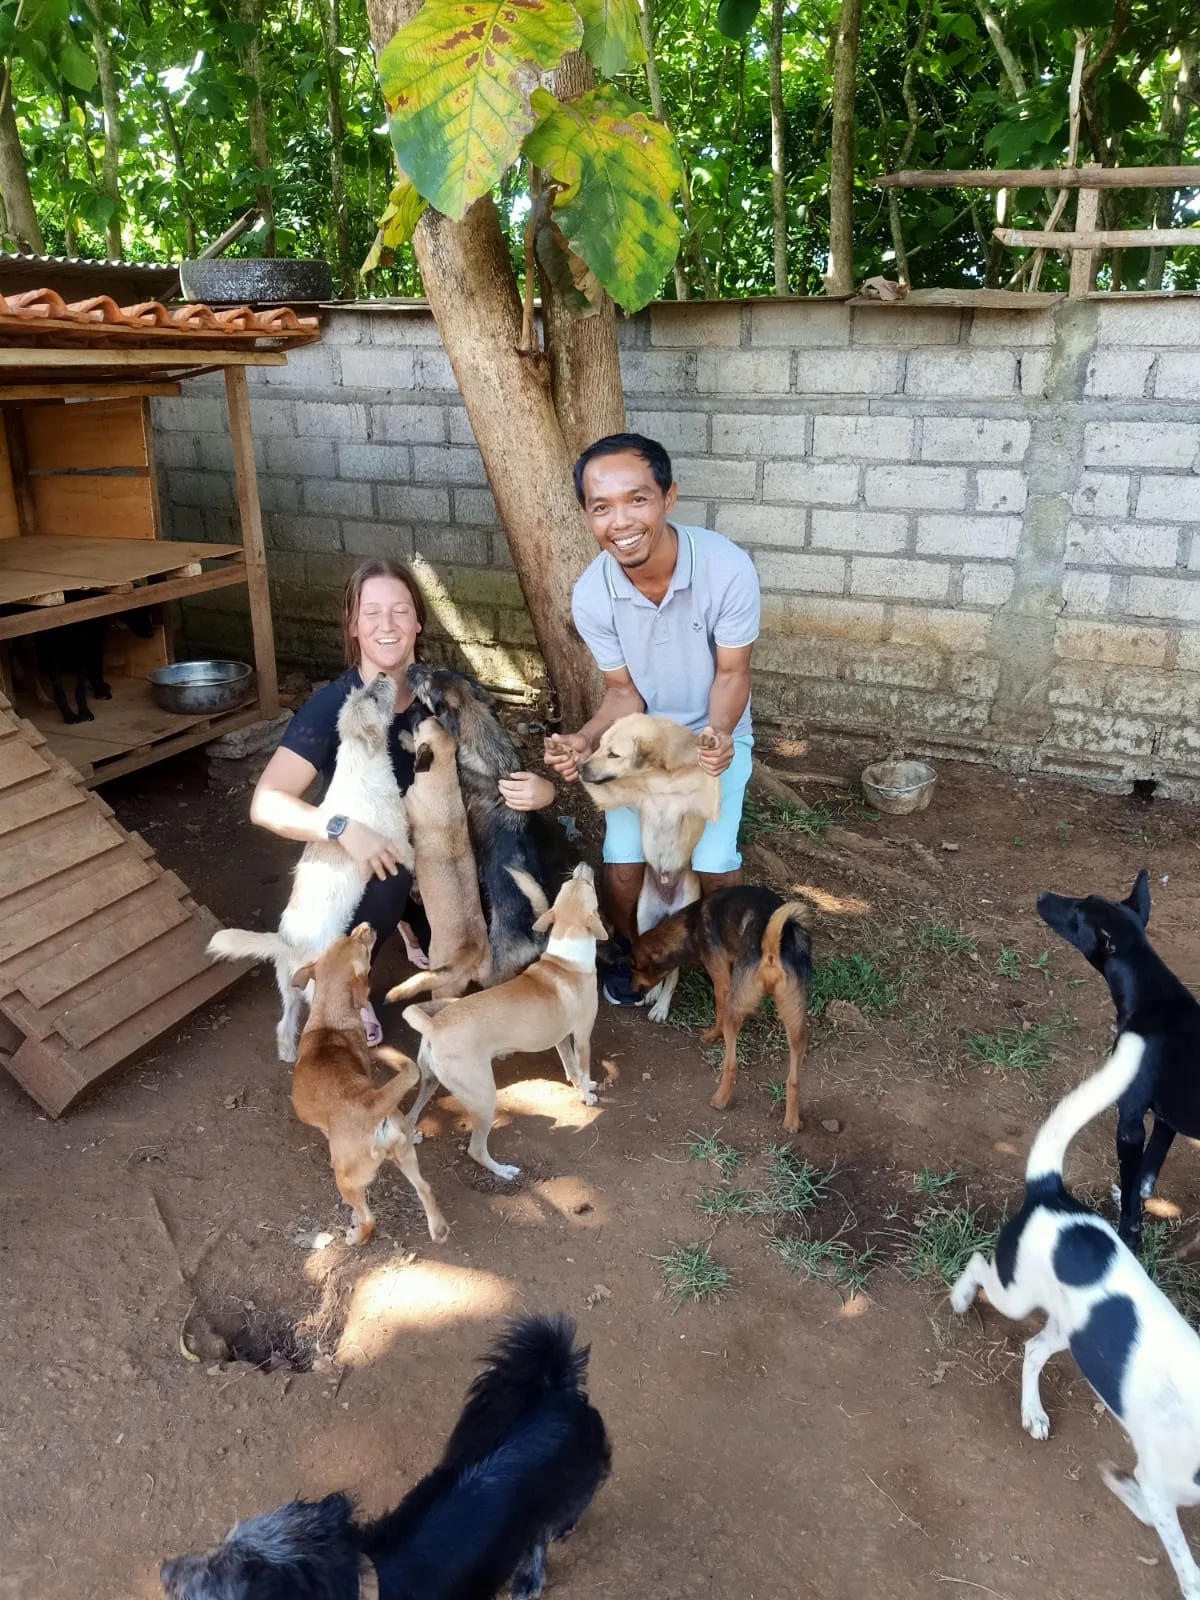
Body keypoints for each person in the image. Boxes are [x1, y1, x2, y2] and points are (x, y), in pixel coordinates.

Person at [250, 558, 555, 1031]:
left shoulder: (442, 693)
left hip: (441, 854)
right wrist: (340, 828)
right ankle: (347, 986)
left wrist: (543, 790)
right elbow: (266, 802)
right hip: (383, 855)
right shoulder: (334, 706)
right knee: (390, 865)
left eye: (400, 611)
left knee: (521, 836)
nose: (386, 625)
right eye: (371, 613)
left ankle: (423, 927)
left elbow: (495, 768)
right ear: (352, 626)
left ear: (418, 622)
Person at [543, 432, 760, 1006]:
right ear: (588, 515)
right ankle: (630, 953)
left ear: (668, 497)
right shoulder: (593, 595)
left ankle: (725, 957)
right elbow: (622, 694)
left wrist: (716, 734)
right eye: (601, 506)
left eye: (636, 499)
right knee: (620, 860)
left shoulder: (726, 568)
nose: (621, 521)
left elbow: (733, 672)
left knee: (715, 859)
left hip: (713, 736)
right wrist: (586, 739)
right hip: (638, 749)